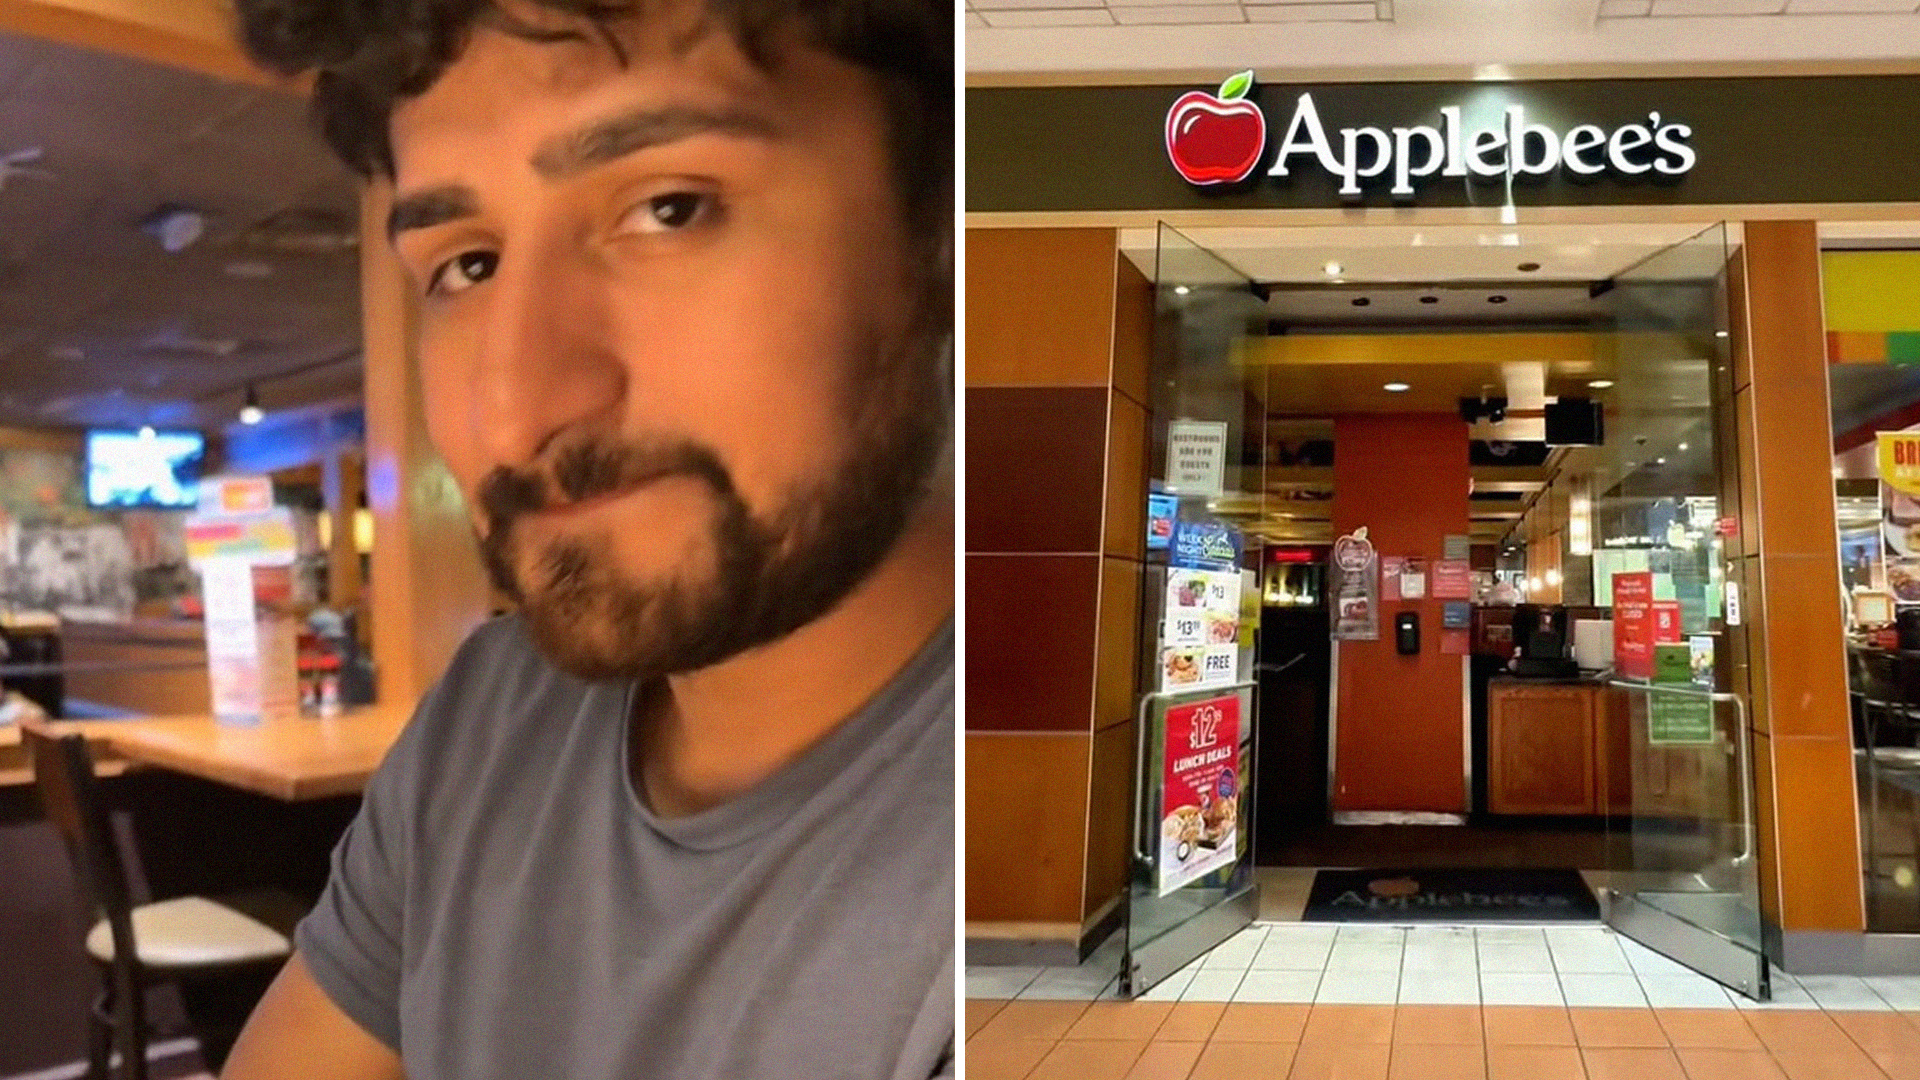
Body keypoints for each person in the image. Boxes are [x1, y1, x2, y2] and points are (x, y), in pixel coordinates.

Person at [219, 1, 954, 1077]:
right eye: (465, 266)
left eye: (669, 207)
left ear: (936, 243)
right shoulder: (491, 716)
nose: (518, 411)